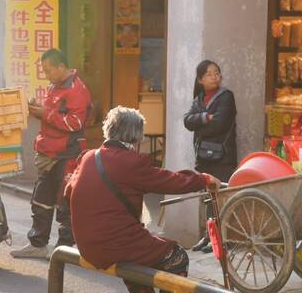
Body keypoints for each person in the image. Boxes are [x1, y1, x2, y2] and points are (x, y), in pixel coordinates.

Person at [65, 106, 221, 293]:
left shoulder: (89, 157)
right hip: (114, 244)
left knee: (140, 262)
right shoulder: (130, 161)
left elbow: (68, 192)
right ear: (136, 135)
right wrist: (203, 179)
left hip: (86, 244)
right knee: (177, 256)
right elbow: (172, 181)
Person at [10, 49, 92, 258]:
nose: (46, 75)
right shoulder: (54, 87)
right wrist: (37, 108)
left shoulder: (77, 89)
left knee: (66, 204)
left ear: (61, 67)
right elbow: (52, 114)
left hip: (69, 153)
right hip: (48, 151)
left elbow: (75, 123)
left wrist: (43, 112)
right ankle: (37, 244)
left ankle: (64, 248)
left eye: (48, 70)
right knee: (41, 199)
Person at [184, 60, 237, 253]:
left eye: (217, 73)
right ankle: (208, 237)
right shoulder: (198, 99)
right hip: (204, 157)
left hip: (223, 157)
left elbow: (220, 125)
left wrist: (199, 125)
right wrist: (205, 118)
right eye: (209, 74)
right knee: (208, 198)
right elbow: (187, 121)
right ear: (200, 79)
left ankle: (224, 238)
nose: (215, 76)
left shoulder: (226, 97)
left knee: (221, 197)